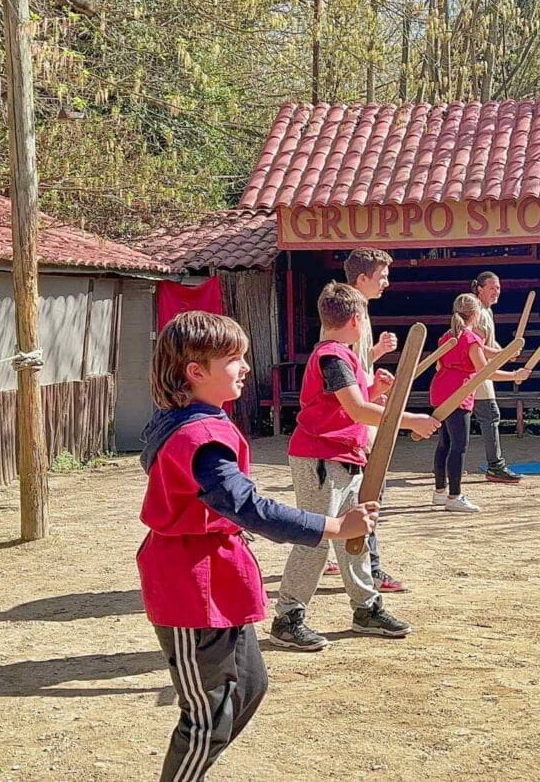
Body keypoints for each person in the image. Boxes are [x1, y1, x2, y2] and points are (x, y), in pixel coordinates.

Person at [137, 310, 379, 781]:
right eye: (233, 359)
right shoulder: (197, 437)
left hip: (218, 574)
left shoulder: (189, 419)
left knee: (248, 686)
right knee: (207, 717)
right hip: (190, 585)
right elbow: (249, 507)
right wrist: (333, 526)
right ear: (196, 371)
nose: (245, 367)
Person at [270, 282, 439, 651]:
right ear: (356, 319)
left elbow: (349, 403)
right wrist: (411, 420)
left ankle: (366, 607)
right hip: (320, 459)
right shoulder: (331, 356)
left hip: (346, 457)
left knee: (355, 535)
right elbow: (357, 410)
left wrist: (376, 388)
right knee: (315, 536)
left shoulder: (342, 356)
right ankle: (287, 617)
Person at [320, 248, 407, 592]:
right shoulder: (347, 316)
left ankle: (351, 560)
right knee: (368, 494)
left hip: (359, 414)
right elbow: (341, 376)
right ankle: (369, 567)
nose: (387, 282)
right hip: (352, 422)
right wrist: (398, 414)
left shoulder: (361, 314)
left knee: (359, 494)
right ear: (362, 279)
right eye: (382, 276)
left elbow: (353, 367)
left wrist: (374, 366)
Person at [430, 293, 530, 513]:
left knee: (445, 443)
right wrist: (514, 375)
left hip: (441, 390)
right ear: (475, 315)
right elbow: (485, 372)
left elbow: (448, 363)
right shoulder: (469, 339)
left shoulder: (448, 336)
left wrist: (506, 353)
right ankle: (454, 496)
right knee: (458, 445)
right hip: (458, 393)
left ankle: (439, 492)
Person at [471, 271, 523, 483]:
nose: (495, 292)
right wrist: (503, 355)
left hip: (482, 369)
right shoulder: (477, 312)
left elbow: (490, 345)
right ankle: (495, 466)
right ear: (480, 289)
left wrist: (507, 351)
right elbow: (478, 346)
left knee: (458, 419)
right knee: (489, 415)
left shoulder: (487, 312)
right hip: (476, 370)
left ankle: (447, 463)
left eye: (498, 288)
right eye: (491, 287)